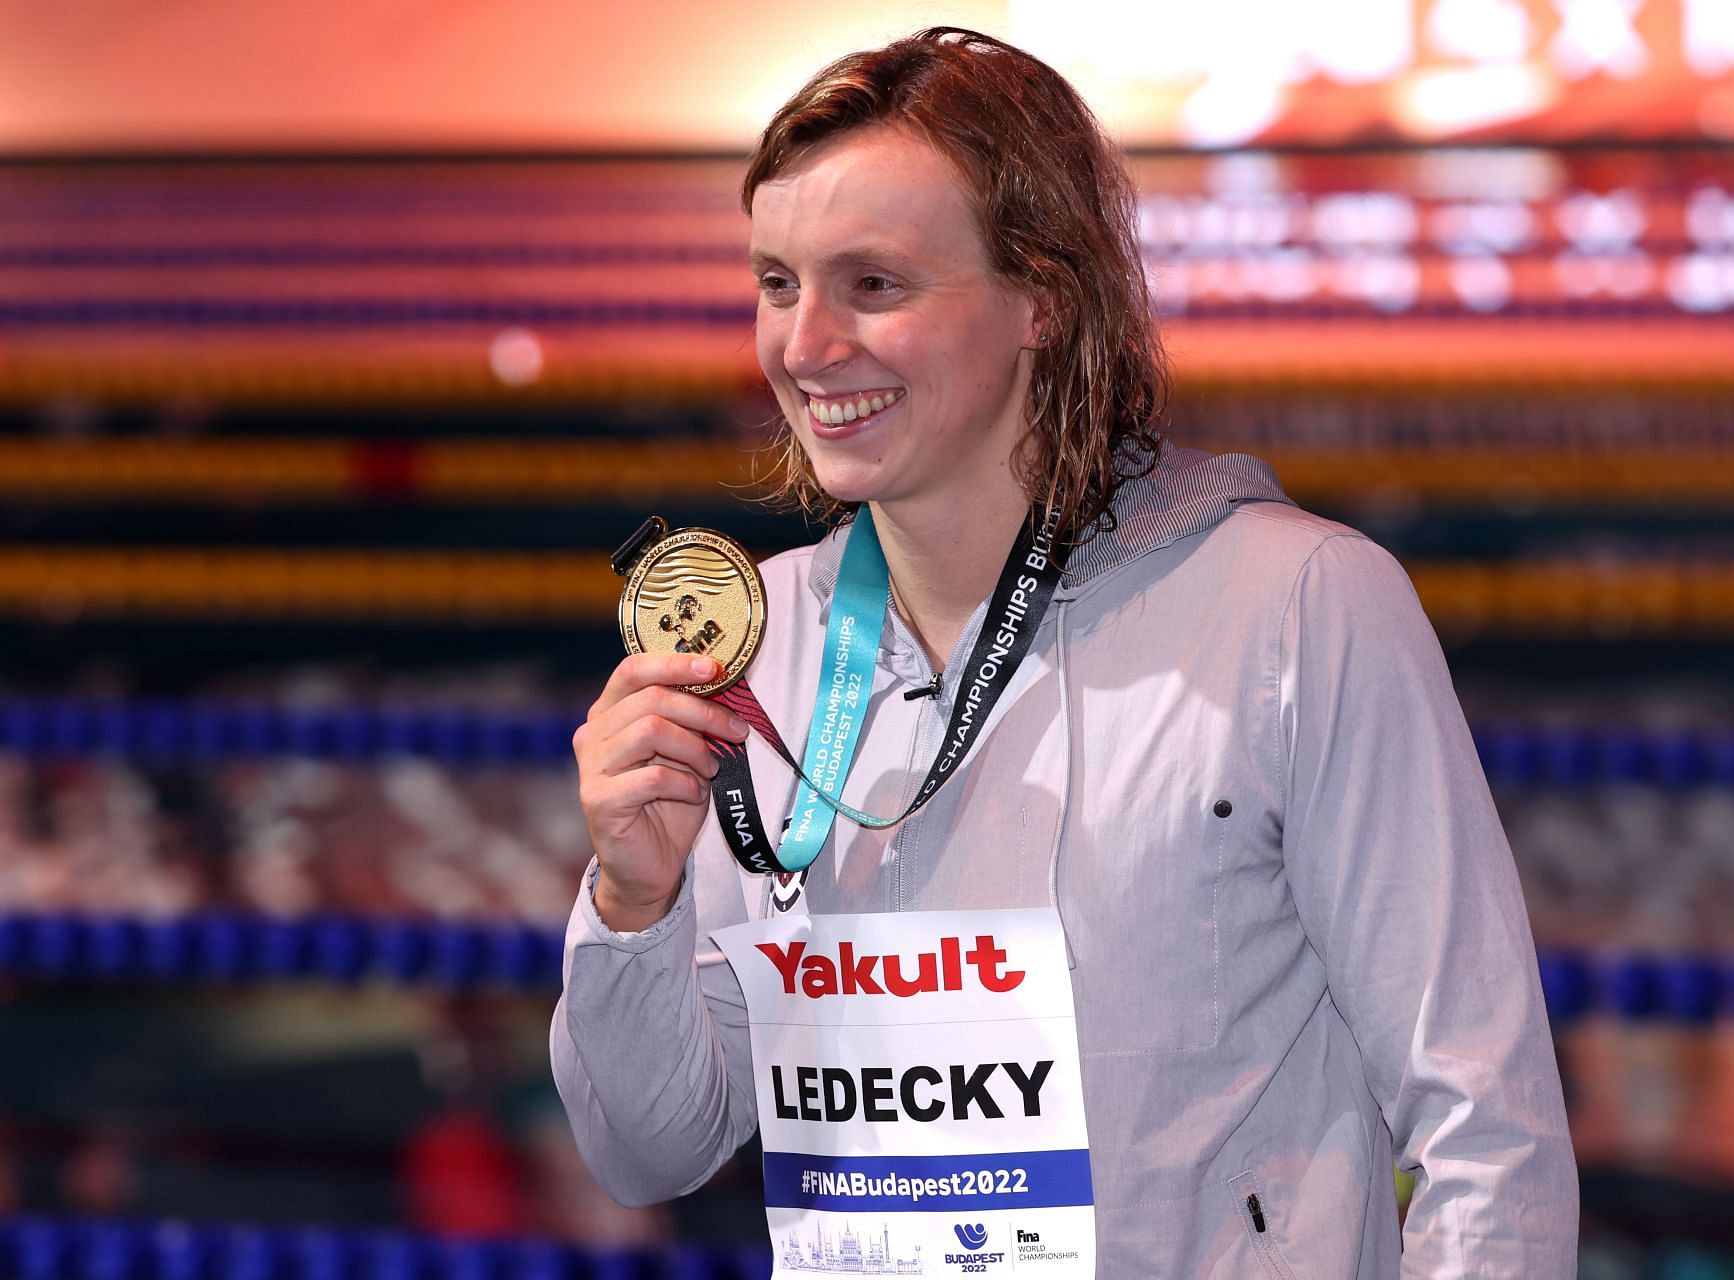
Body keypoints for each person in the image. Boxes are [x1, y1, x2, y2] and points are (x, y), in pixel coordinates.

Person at [553, 27, 1576, 1278]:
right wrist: (632, 901)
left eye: (874, 285)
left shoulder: (1298, 609)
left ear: (1044, 296)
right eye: (777, 283)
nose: (805, 346)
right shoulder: (758, 650)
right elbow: (650, 1149)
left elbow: (1489, 1136)